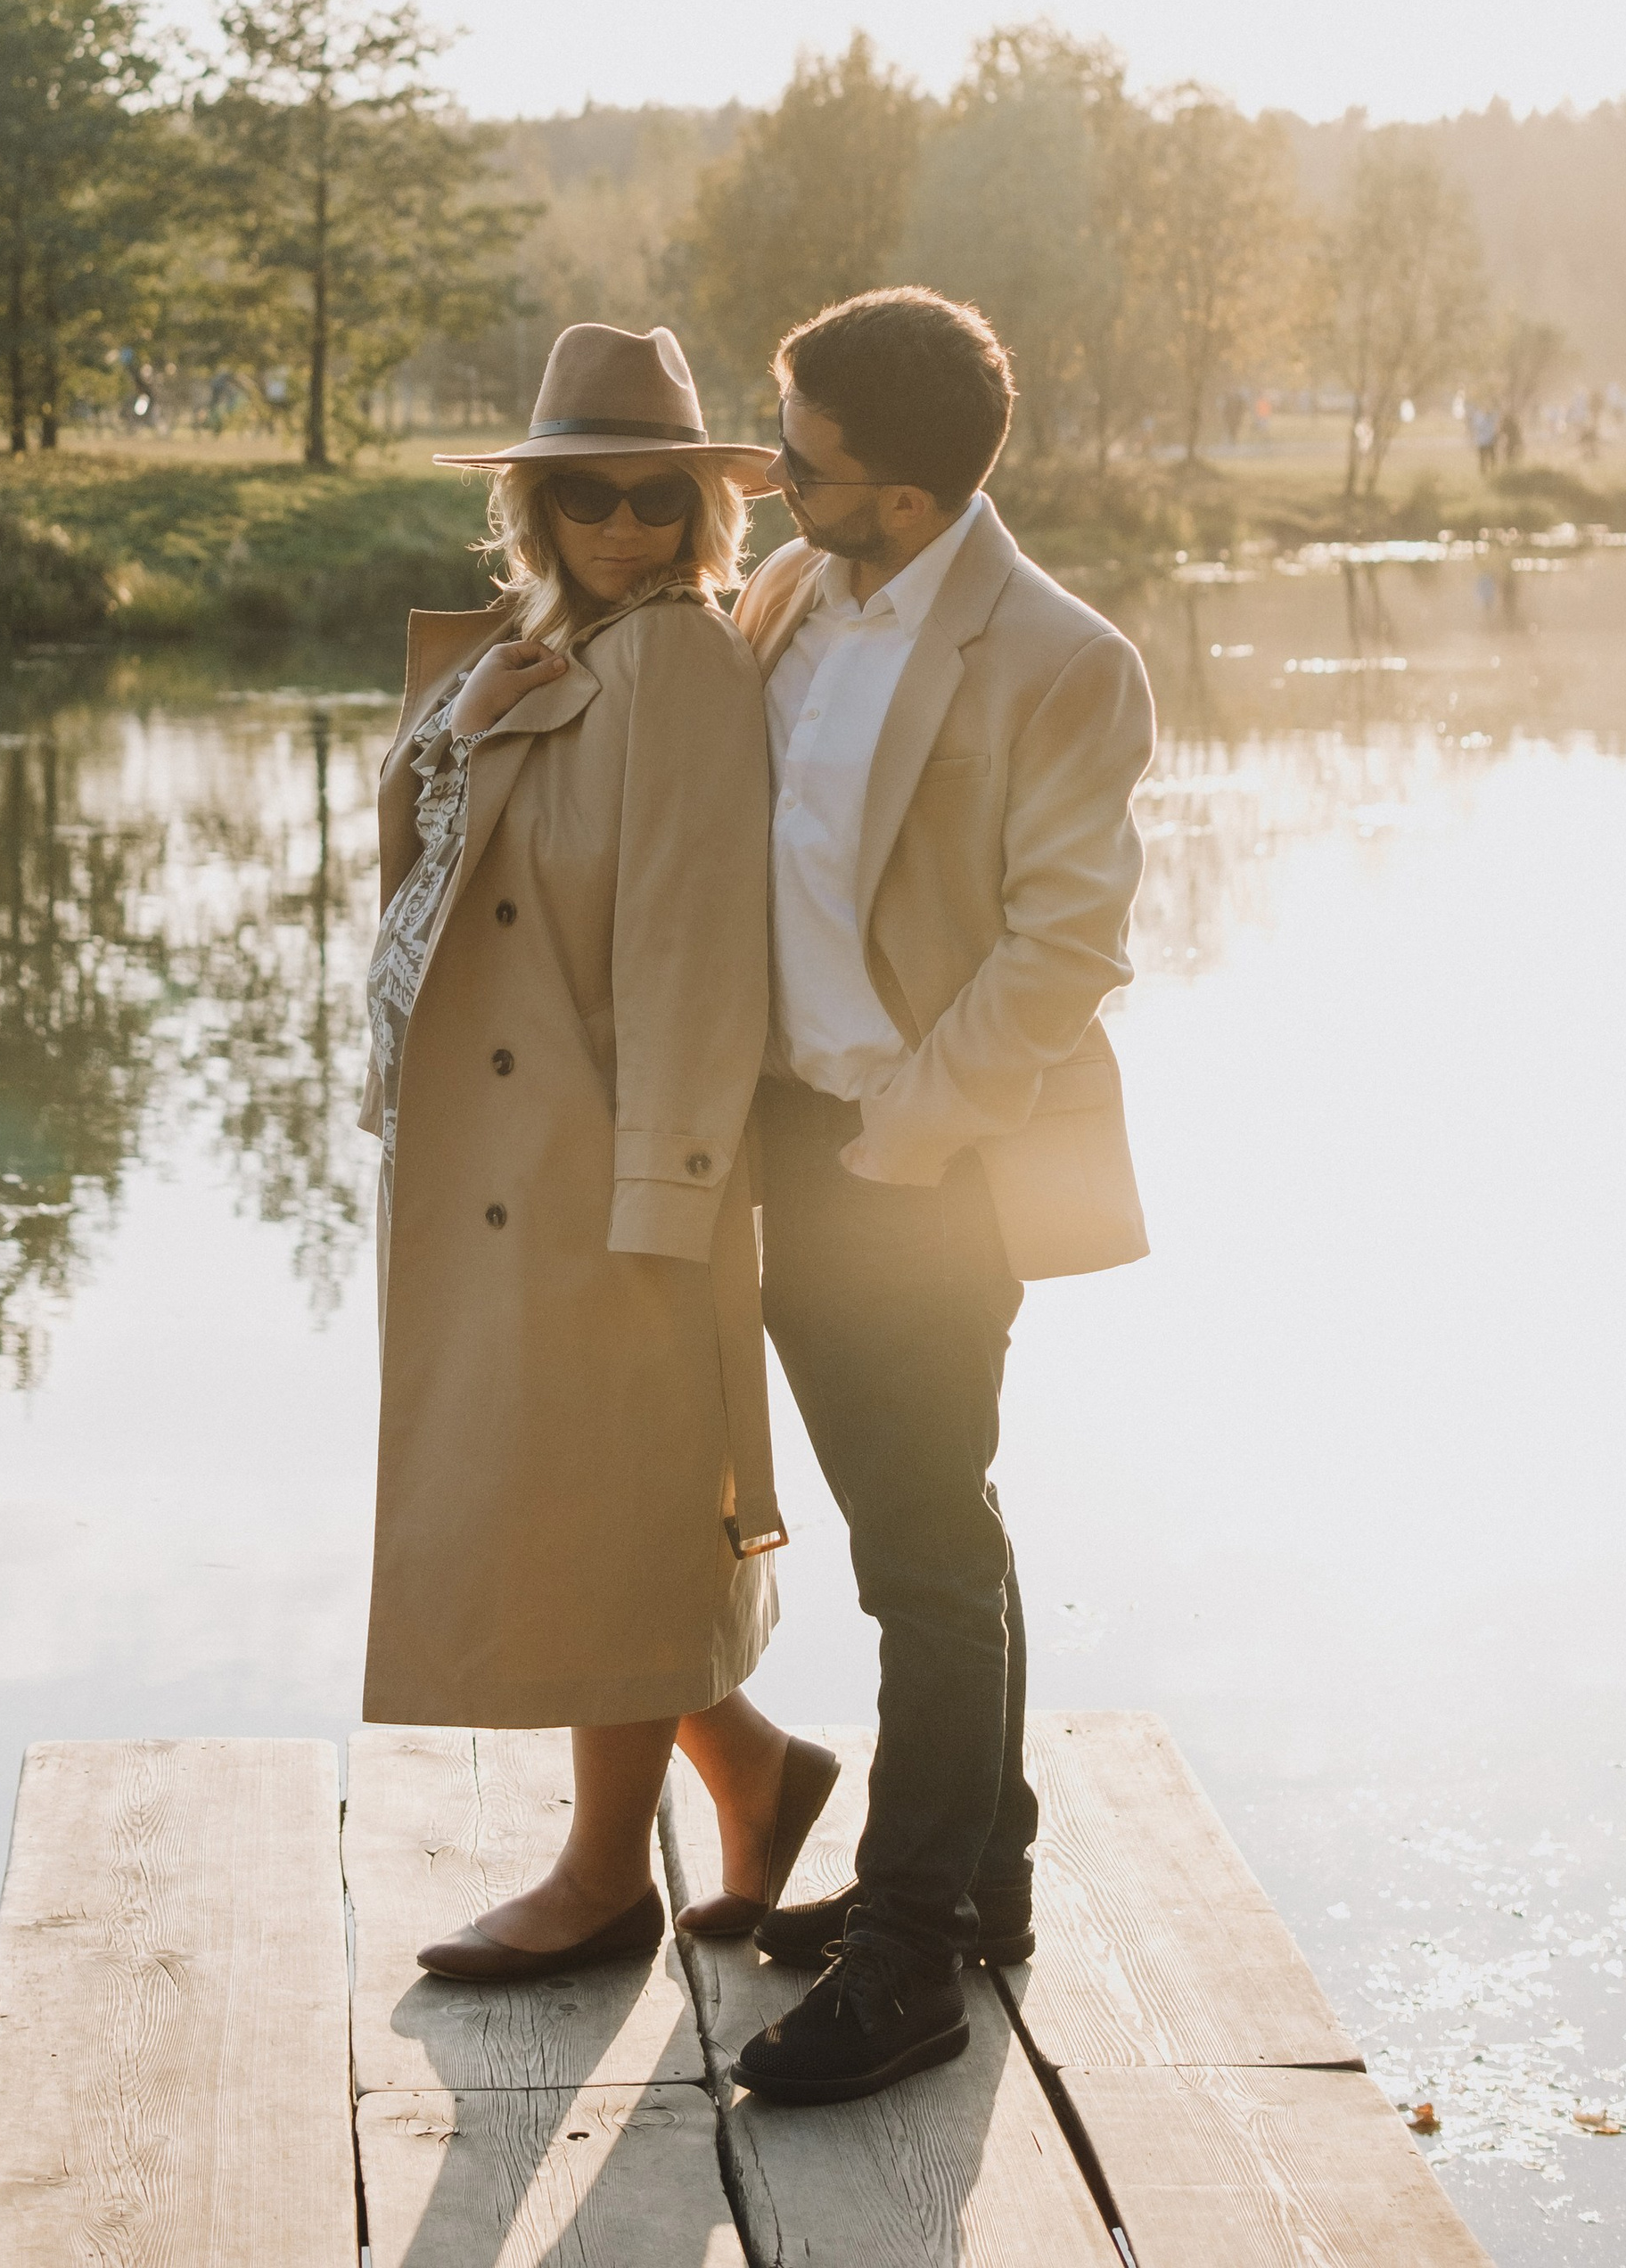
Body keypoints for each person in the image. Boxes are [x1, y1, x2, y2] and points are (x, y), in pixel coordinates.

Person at [364, 322, 841, 1977]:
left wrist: (667, 1191)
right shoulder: (537, 644)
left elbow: (699, 947)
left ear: (707, 508)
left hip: (614, 1155)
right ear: (542, 508)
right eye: (592, 499)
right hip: (504, 1141)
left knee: (603, 1505)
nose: (630, 527)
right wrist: (457, 719)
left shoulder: (683, 659)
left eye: (660, 496)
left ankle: (600, 1874)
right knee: (580, 1499)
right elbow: (424, 864)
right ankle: (759, 1777)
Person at [726, 287, 1155, 2108]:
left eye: (797, 457)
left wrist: (904, 1132)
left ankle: (905, 1960)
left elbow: (1068, 940)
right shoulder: (787, 594)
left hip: (925, 1158)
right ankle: (981, 1877)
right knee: (934, 1525)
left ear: (896, 496)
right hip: (785, 1139)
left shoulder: (1058, 658)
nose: (768, 474)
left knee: (912, 1550)